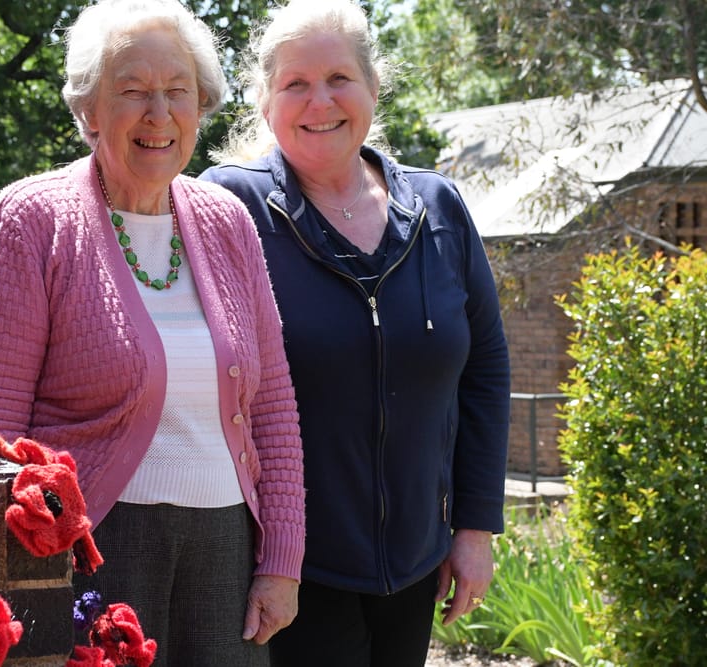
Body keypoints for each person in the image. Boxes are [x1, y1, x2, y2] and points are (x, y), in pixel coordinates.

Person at [0, 1, 305, 664]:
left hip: (227, 551)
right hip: (91, 549)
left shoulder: (228, 221)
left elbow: (274, 409)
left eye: (178, 92)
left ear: (201, 106)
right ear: (88, 109)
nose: (158, 114)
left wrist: (282, 560)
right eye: (132, 91)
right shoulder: (32, 221)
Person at [199, 1, 510, 665]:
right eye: (295, 84)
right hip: (285, 570)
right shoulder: (229, 207)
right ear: (264, 102)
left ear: (374, 87)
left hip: (416, 559)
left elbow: (484, 368)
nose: (321, 101)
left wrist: (475, 525)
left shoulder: (438, 208)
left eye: (340, 78)